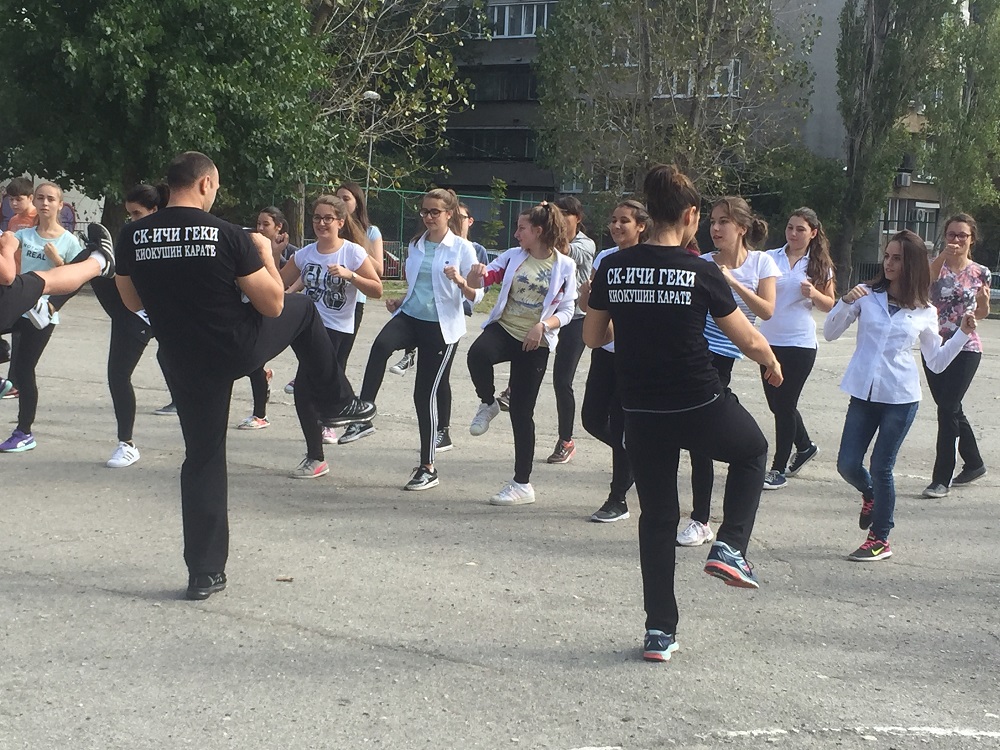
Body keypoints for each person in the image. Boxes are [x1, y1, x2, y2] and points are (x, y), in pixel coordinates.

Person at [114, 151, 374, 600]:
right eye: (214, 187)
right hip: (234, 346)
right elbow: (273, 303)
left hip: (182, 357)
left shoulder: (133, 235)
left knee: (202, 459)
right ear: (204, 184)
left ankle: (204, 574)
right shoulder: (227, 234)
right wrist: (265, 255)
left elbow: (132, 301)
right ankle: (336, 401)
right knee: (302, 309)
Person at [584, 164, 783, 663]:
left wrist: (631, 320)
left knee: (657, 518)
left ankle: (659, 631)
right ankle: (730, 547)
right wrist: (771, 361)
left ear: (649, 214)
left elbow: (592, 337)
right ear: (691, 215)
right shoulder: (700, 270)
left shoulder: (614, 266)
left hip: (640, 409)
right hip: (697, 401)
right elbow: (748, 337)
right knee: (753, 451)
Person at [824, 230, 975, 562]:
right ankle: (870, 495)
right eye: (887, 256)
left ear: (913, 265)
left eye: (898, 258)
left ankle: (880, 538)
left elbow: (936, 362)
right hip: (863, 394)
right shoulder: (866, 295)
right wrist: (844, 302)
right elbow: (830, 333)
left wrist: (963, 334)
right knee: (847, 464)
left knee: (882, 466)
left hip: (900, 398)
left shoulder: (924, 310)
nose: (889, 263)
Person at [339, 189, 481, 490]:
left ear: (449, 214)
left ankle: (428, 467)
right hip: (411, 316)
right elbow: (419, 285)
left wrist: (460, 282)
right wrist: (401, 300)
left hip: (441, 327)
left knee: (423, 395)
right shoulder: (416, 244)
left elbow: (476, 296)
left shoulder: (462, 248)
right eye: (424, 211)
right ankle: (363, 416)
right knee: (380, 346)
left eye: (435, 212)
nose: (428, 217)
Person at [677, 196, 779, 547]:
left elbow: (766, 311)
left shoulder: (762, 262)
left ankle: (702, 520)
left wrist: (731, 282)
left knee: (701, 436)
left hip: (724, 357)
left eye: (724, 222)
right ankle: (699, 519)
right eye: (713, 221)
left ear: (742, 228)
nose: (715, 228)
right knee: (696, 439)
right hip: (696, 352)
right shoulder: (702, 262)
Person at [465, 202, 577, 506]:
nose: (516, 234)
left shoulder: (565, 266)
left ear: (538, 231)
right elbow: (484, 280)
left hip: (535, 342)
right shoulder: (513, 257)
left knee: (522, 412)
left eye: (521, 229)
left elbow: (568, 310)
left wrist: (543, 326)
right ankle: (488, 403)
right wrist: (475, 275)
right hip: (506, 329)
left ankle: (521, 484)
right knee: (477, 354)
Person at [279, 195, 382, 476]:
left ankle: (322, 448)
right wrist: (272, 255)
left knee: (305, 389)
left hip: (336, 329)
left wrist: (351, 276)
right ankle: (323, 444)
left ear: (340, 222)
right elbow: (279, 282)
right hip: (306, 330)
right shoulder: (305, 254)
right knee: (305, 391)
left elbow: (376, 289)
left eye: (328, 218)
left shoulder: (352, 253)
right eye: (317, 217)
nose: (321, 223)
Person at [0, 182, 86, 453]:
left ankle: (24, 432)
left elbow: (76, 279)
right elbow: (8, 247)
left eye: (50, 199)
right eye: (40, 198)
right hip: (19, 305)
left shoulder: (69, 241)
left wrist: (58, 264)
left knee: (24, 371)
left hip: (41, 315)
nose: (45, 203)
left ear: (60, 205)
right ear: (34, 202)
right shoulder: (24, 234)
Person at [90, 183, 169, 467]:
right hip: (130, 310)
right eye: (130, 215)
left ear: (154, 210)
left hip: (153, 313)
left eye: (137, 214)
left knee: (178, 366)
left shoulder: (166, 239)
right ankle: (127, 443)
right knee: (118, 375)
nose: (132, 220)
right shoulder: (131, 236)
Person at [756, 208, 836, 490]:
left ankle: (777, 469)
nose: (793, 233)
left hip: (799, 344)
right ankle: (804, 446)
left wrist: (814, 294)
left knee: (785, 405)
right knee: (776, 404)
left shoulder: (818, 265)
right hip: (768, 342)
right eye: (790, 227)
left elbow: (830, 304)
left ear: (813, 233)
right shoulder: (770, 258)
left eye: (800, 229)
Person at [579, 199, 648, 522]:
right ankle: (636, 453)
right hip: (605, 351)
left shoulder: (648, 260)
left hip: (635, 356)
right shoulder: (605, 258)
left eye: (625, 221)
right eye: (614, 219)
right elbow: (591, 307)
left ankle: (617, 499)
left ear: (641, 226)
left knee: (622, 425)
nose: (617, 226)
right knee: (592, 419)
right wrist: (585, 294)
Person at [0, 226, 115, 400]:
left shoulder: (66, 239)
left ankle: (48, 307)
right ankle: (101, 261)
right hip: (11, 297)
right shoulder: (26, 232)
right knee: (48, 280)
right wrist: (8, 248)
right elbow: (7, 276)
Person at [921, 213, 991, 498]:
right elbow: (924, 283)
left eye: (962, 235)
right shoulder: (935, 266)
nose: (957, 240)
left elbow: (981, 313)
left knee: (947, 408)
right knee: (950, 407)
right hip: (934, 345)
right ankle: (974, 463)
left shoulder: (980, 272)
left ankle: (941, 478)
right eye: (951, 234)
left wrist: (983, 306)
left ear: (972, 239)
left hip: (966, 346)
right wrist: (942, 256)